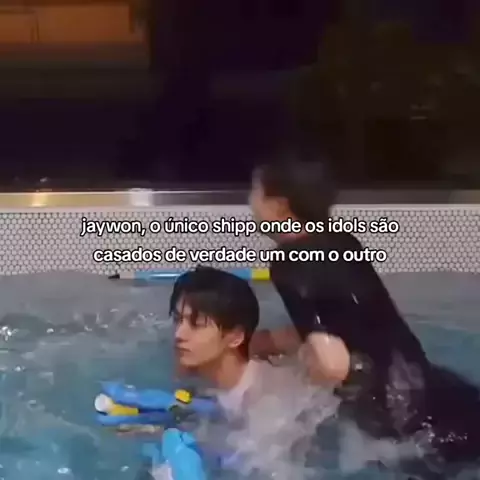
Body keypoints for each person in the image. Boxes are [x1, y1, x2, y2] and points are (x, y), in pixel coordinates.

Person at [248, 157, 480, 478]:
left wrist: (296, 409)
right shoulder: (343, 241)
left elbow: (331, 362)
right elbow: (347, 325)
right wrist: (267, 342)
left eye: (255, 192)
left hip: (402, 426)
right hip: (437, 392)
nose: (251, 202)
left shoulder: (289, 264)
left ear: (279, 207)